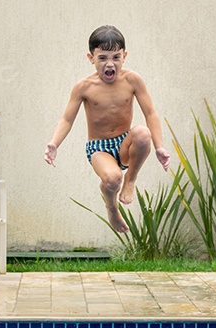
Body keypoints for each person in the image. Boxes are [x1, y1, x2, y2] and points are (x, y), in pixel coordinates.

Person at [44, 25, 171, 233]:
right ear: (91, 58)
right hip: (99, 148)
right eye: (102, 58)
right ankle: (112, 207)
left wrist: (159, 147)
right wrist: (54, 143)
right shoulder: (84, 87)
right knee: (112, 180)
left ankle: (130, 179)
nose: (110, 64)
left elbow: (150, 114)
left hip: (124, 143)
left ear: (124, 56)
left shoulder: (132, 80)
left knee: (142, 133)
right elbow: (67, 119)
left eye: (116, 57)